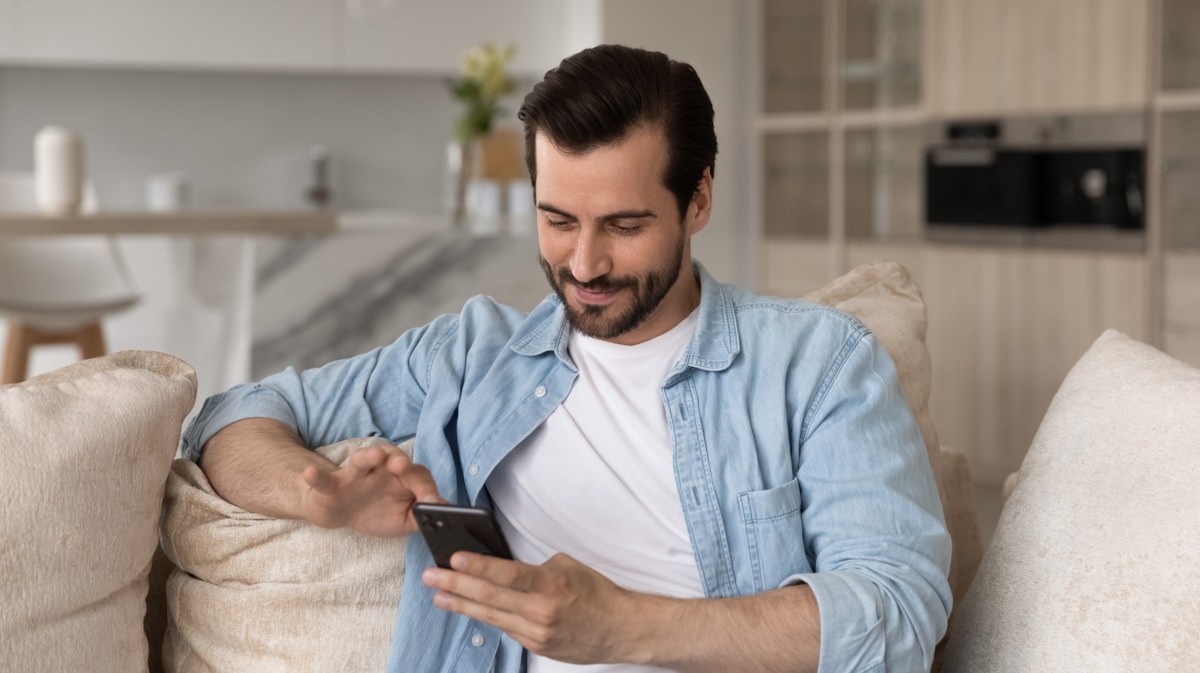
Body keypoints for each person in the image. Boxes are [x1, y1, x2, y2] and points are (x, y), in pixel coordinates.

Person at [183, 44, 952, 673]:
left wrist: (623, 626)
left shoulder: (818, 364)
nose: (584, 263)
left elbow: (897, 614)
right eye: (558, 220)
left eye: (624, 224)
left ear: (699, 200)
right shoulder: (473, 354)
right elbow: (229, 418)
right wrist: (317, 495)